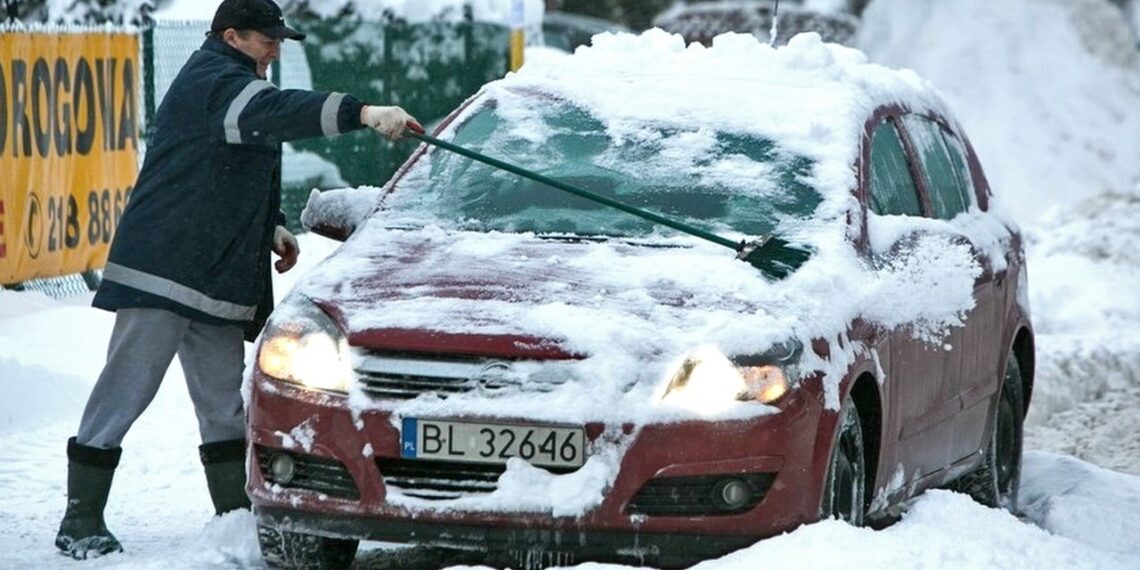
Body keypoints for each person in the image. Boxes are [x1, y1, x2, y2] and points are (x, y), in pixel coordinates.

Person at [53, 0, 423, 560]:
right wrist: (362, 112)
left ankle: (233, 518)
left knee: (224, 405)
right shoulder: (214, 79)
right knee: (124, 392)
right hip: (166, 270)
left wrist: (269, 225)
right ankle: (80, 518)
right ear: (232, 36)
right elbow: (274, 113)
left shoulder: (235, 80)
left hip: (216, 274)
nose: (276, 49)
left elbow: (231, 165)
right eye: (267, 39)